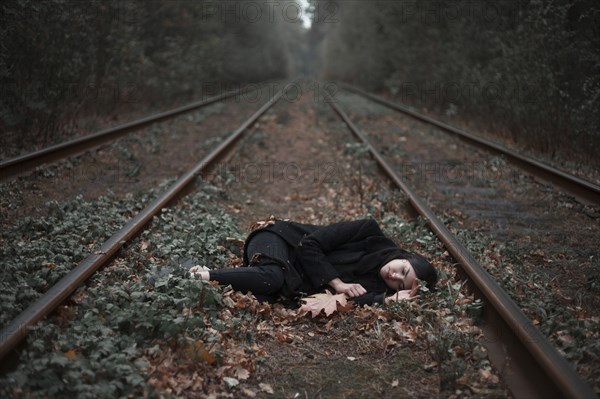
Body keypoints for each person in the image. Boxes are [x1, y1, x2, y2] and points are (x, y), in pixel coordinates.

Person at [190, 218, 437, 306]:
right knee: (272, 277)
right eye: (402, 269)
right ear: (403, 255)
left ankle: (200, 280)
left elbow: (355, 300)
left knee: (265, 297)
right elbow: (309, 245)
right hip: (280, 239)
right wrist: (338, 283)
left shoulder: (378, 285)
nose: (394, 277)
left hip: (293, 276)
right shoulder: (368, 231)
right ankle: (197, 276)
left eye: (400, 284)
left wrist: (387, 299)